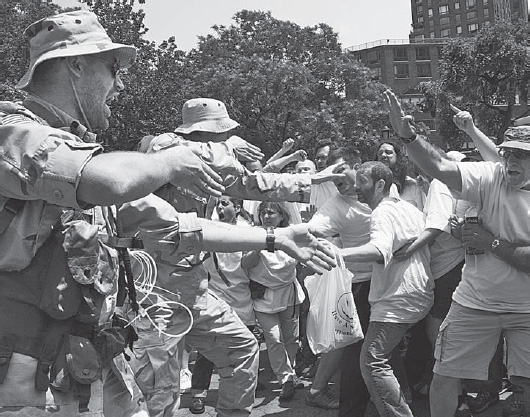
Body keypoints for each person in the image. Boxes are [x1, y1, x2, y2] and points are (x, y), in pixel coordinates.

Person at [0, 10, 336, 417]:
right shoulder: (13, 132)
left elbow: (179, 226)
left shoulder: (88, 157)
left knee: (185, 379)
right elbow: (106, 180)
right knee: (166, 387)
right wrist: (181, 157)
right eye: (113, 69)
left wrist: (275, 238)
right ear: (76, 65)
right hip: (22, 382)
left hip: (75, 364)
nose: (120, 84)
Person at [135, 98, 340, 416]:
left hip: (194, 289)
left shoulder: (215, 167)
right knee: (162, 393)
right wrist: (226, 147)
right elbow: (160, 147)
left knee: (243, 349)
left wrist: (312, 180)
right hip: (157, 295)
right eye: (219, 133)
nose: (224, 139)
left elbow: (253, 183)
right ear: (202, 134)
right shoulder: (165, 154)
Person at [384, 88, 530, 417]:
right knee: (444, 376)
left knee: (525, 388)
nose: (510, 162)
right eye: (507, 153)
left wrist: (490, 242)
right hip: (474, 304)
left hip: (527, 308)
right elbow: (439, 167)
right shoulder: (491, 176)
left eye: (521, 155)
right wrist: (408, 137)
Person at [339, 161, 434, 417]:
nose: (356, 187)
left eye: (363, 182)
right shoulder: (409, 209)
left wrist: (336, 254)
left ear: (381, 184)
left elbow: (379, 249)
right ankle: (405, 396)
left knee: (372, 360)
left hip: (398, 299)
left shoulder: (381, 212)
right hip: (419, 293)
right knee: (386, 353)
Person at [303, 147, 373, 412]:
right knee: (350, 343)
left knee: (370, 345)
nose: (335, 177)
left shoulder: (382, 193)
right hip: (355, 286)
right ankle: (323, 392)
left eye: (340, 169)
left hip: (387, 281)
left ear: (358, 167)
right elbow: (314, 228)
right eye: (331, 174)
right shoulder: (335, 204)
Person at [241, 202, 306, 401]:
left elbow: (301, 260)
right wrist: (263, 243)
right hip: (264, 297)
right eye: (263, 213)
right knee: (274, 338)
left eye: (272, 212)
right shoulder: (253, 235)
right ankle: (285, 378)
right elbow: (245, 264)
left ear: (281, 216)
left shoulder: (290, 234)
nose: (267, 216)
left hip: (289, 294)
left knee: (291, 338)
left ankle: (290, 372)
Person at [375, 139, 427, 210]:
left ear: (397, 157)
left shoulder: (412, 185)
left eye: (388, 152)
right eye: (380, 153)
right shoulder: (372, 187)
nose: (383, 155)